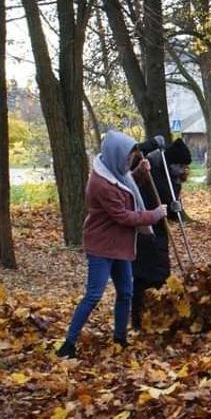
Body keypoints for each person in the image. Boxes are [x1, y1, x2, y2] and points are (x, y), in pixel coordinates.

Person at [57, 131, 167, 358]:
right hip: (101, 246)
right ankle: (68, 343)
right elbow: (124, 216)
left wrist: (140, 173)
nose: (130, 162)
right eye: (128, 158)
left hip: (120, 245)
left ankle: (120, 337)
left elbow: (127, 187)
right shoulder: (101, 183)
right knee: (94, 295)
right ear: (116, 155)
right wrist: (154, 215)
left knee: (126, 292)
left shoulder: (115, 172)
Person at [130, 138, 193, 329]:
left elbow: (172, 211)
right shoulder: (149, 166)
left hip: (160, 231)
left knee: (161, 276)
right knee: (144, 278)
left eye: (184, 166)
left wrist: (176, 208)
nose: (182, 170)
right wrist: (152, 143)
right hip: (143, 230)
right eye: (180, 165)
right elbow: (132, 151)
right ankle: (140, 321)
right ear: (170, 163)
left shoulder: (173, 179)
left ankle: (159, 318)